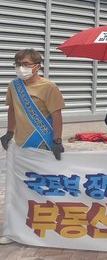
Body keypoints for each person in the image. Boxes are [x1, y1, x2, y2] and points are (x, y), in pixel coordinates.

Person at [1, 49, 66, 245]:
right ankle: (15, 229)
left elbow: (56, 115)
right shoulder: (14, 86)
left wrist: (57, 140)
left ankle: (49, 226)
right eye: (18, 63)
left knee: (44, 187)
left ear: (38, 65)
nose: (22, 68)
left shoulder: (49, 87)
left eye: (26, 64)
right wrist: (9, 132)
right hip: (21, 146)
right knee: (17, 189)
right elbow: (13, 110)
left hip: (43, 145)